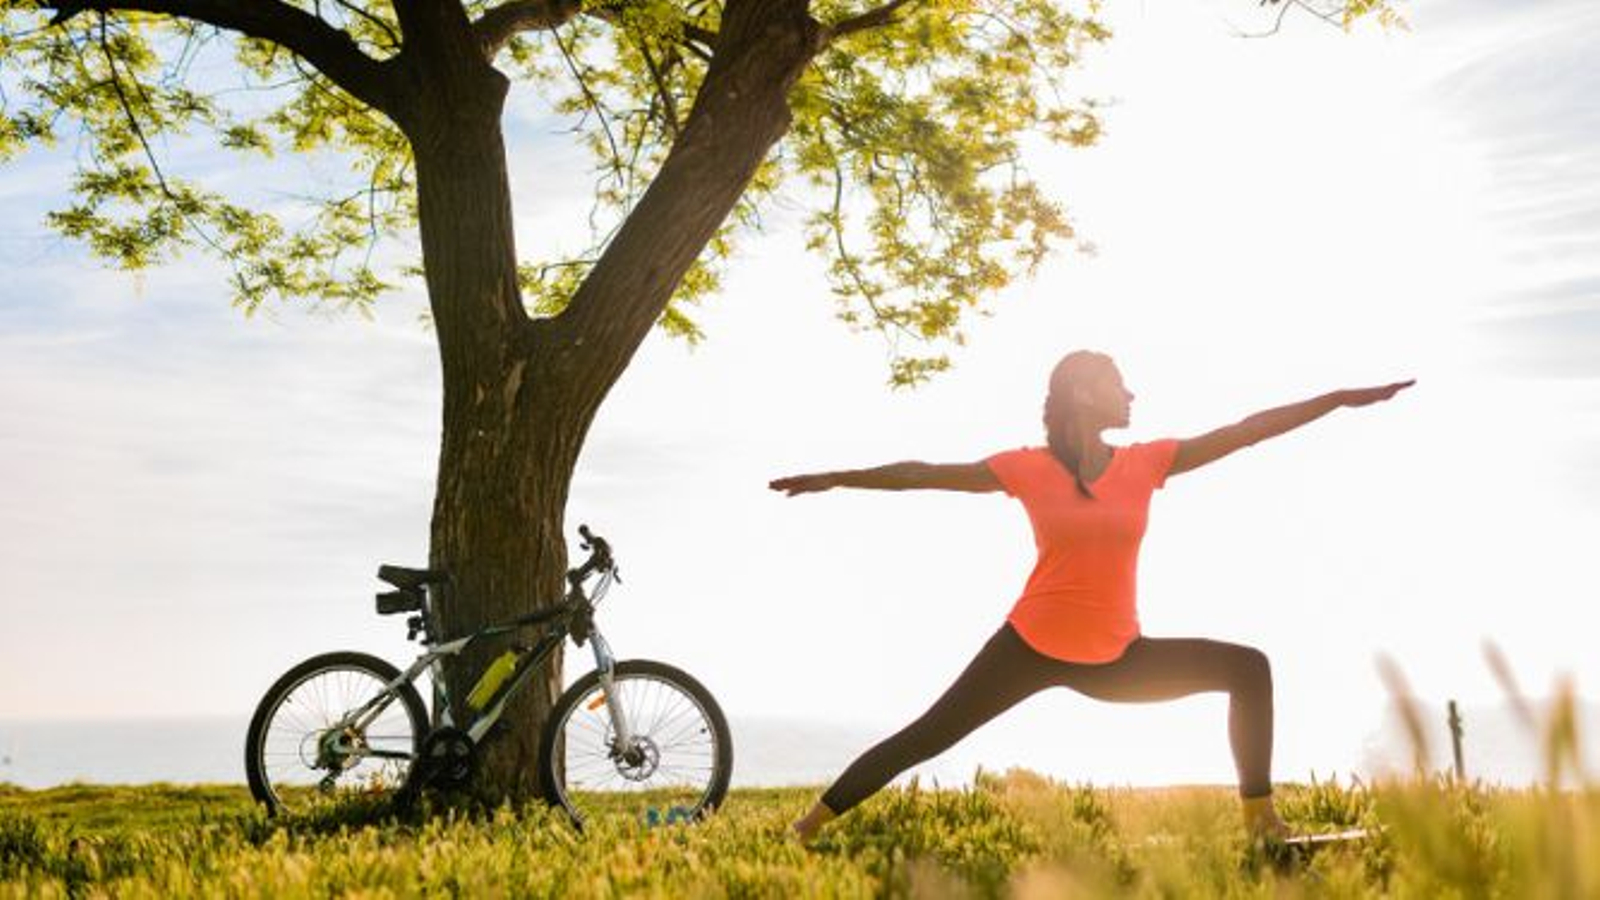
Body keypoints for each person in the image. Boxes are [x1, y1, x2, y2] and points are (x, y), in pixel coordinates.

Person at [769, 350, 1413, 843]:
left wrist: (1336, 399)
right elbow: (919, 475)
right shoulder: (1027, 468)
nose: (1131, 393)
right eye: (1117, 382)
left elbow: (1247, 430)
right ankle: (807, 826)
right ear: (1082, 392)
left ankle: (1261, 821)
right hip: (1027, 647)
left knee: (1249, 668)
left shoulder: (1147, 464)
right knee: (927, 737)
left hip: (1117, 660)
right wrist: (837, 478)